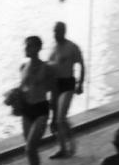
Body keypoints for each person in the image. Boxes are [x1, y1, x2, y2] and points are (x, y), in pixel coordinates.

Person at [48, 22, 85, 159]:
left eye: (57, 32)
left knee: (60, 118)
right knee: (58, 120)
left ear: (63, 32)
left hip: (68, 84)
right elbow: (49, 70)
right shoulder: (53, 49)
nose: (55, 34)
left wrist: (80, 83)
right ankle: (67, 144)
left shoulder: (72, 47)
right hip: (56, 85)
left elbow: (82, 64)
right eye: (54, 32)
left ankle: (66, 147)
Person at [18, 36, 55, 165]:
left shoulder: (46, 68)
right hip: (26, 110)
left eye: (29, 46)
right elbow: (22, 89)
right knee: (30, 149)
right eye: (26, 45)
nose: (26, 48)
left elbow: (54, 92)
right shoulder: (23, 67)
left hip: (41, 110)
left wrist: (55, 118)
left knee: (30, 148)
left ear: (38, 48)